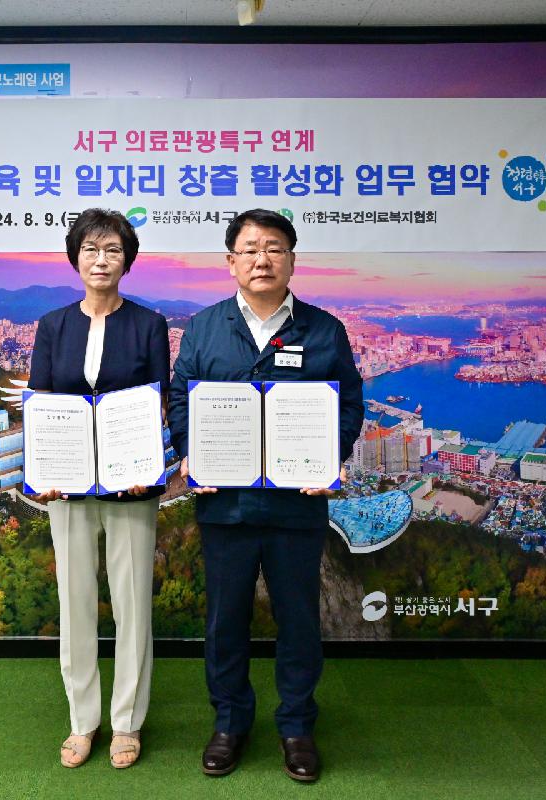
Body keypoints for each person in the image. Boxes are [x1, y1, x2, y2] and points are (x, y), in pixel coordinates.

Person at [168, 209, 363, 783]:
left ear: (292, 259)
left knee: (298, 619)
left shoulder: (324, 330)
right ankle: (229, 722)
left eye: (273, 247)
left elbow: (348, 404)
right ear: (231, 261)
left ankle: (297, 725)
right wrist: (189, 451)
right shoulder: (204, 327)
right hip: (224, 504)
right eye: (249, 248)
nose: (261, 258)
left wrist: (332, 458)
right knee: (224, 620)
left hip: (296, 506)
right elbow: (181, 397)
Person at [27, 208, 170, 769]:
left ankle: (127, 722)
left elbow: (156, 403)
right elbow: (40, 403)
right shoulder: (52, 325)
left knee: (132, 604)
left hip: (131, 485)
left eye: (112, 249)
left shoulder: (148, 324)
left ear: (126, 260)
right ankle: (82, 720)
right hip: (68, 490)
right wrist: (43, 476)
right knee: (75, 602)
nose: (101, 259)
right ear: (75, 257)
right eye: (90, 249)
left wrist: (151, 462)